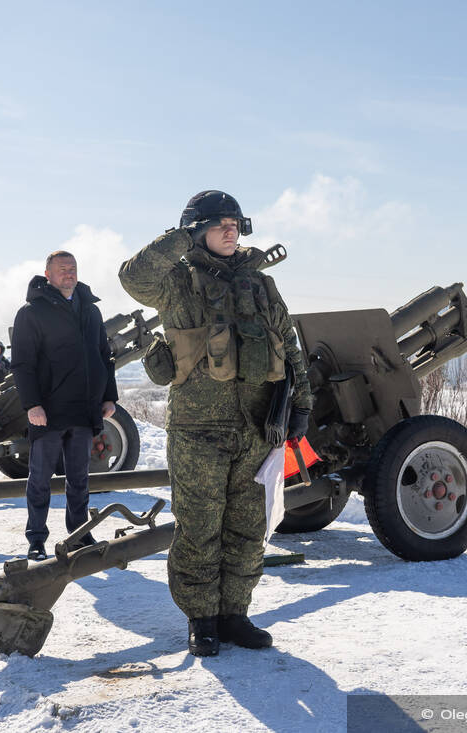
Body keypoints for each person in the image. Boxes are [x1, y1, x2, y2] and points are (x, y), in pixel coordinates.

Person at [118, 190, 312, 656]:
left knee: (247, 528)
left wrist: (302, 404)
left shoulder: (261, 283)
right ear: (196, 229)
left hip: (258, 428)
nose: (230, 231)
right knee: (200, 528)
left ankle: (234, 615)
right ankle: (202, 619)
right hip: (197, 430)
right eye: (218, 224)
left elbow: (288, 345)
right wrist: (180, 239)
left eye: (235, 224)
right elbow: (133, 276)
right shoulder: (176, 282)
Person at [10, 250, 118, 561]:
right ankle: (36, 538)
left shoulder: (90, 310)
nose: (69, 273)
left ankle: (79, 535)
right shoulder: (31, 312)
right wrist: (32, 405)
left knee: (80, 479)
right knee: (40, 479)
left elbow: (104, 355)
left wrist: (109, 396)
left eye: (72, 268)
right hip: (49, 411)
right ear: (48, 275)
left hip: (84, 408)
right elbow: (23, 364)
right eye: (62, 269)